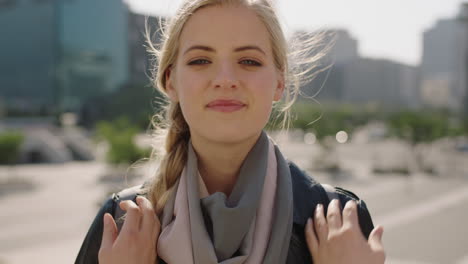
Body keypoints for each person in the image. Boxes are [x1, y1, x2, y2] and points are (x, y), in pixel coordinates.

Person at [75, 0, 385, 263]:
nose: (225, 79)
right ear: (171, 81)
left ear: (279, 82)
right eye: (200, 60)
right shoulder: (120, 223)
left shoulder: (339, 221)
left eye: (249, 61)